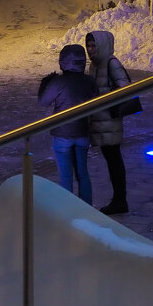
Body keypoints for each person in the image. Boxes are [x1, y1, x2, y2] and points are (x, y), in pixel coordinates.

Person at [38, 44, 99, 204]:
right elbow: (97, 103)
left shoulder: (58, 82)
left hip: (62, 133)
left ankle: (68, 210)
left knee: (66, 176)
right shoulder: (89, 81)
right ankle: (86, 207)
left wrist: (45, 83)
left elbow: (44, 101)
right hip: (82, 132)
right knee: (83, 174)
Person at [87, 30, 131, 215]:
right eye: (88, 45)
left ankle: (120, 201)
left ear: (102, 45)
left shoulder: (112, 63)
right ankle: (118, 200)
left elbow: (125, 88)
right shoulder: (94, 65)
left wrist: (101, 98)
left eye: (93, 45)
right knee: (111, 160)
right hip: (100, 121)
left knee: (114, 161)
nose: (90, 49)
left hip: (110, 121)